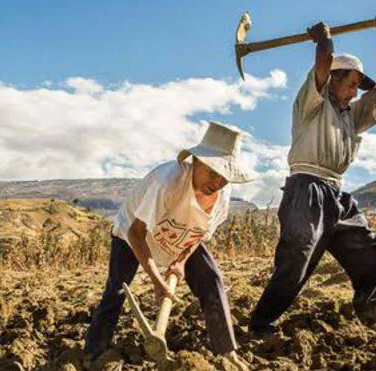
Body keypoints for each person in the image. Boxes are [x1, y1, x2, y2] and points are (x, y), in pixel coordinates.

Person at [249, 13, 376, 336]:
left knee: (374, 252)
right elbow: (324, 61)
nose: (357, 93)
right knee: (297, 258)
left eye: (358, 86)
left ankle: (371, 308)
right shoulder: (312, 103)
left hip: (337, 194)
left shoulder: (352, 114)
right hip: (306, 188)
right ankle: (261, 323)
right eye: (351, 84)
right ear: (332, 79)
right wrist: (323, 41)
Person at [85, 122, 252, 369]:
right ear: (196, 161)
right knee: (117, 290)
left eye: (224, 176)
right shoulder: (168, 182)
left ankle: (226, 351)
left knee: (212, 280)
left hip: (179, 240)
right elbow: (136, 233)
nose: (217, 181)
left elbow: (198, 236)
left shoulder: (221, 200)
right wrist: (157, 281)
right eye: (212, 171)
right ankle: (94, 352)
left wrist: (180, 263)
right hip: (132, 235)